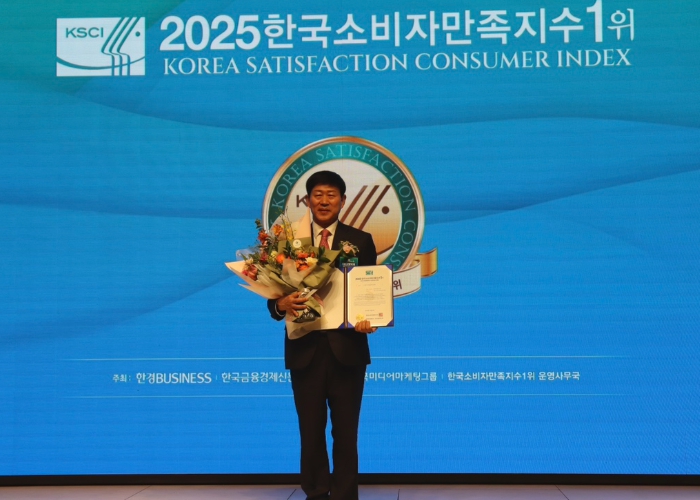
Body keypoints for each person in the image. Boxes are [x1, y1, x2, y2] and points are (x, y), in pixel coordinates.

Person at [267, 170, 378, 500]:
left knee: (346, 432)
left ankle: (345, 495)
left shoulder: (360, 240)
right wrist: (280, 305)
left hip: (348, 349)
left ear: (343, 201)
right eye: (318, 194)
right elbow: (274, 296)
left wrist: (369, 318)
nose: (324, 200)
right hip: (305, 349)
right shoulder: (289, 242)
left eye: (331, 195)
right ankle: (315, 492)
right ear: (307, 200)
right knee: (310, 430)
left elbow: (370, 290)